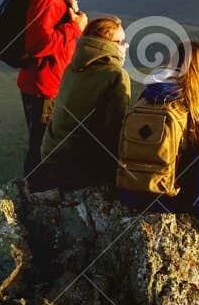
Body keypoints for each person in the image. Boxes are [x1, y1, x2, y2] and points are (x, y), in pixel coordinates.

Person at [117, 41, 199, 240]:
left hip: (129, 192)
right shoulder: (188, 105)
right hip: (164, 199)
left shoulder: (147, 94)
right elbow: (196, 162)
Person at [15, 0, 87, 190]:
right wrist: (76, 26)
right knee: (42, 146)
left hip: (41, 80)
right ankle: (35, 196)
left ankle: (35, 192)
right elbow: (37, 43)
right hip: (44, 83)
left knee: (42, 142)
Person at [36, 15, 130, 190]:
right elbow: (114, 129)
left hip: (52, 156)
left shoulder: (72, 67)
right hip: (80, 166)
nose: (125, 46)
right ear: (108, 45)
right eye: (120, 42)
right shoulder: (116, 75)